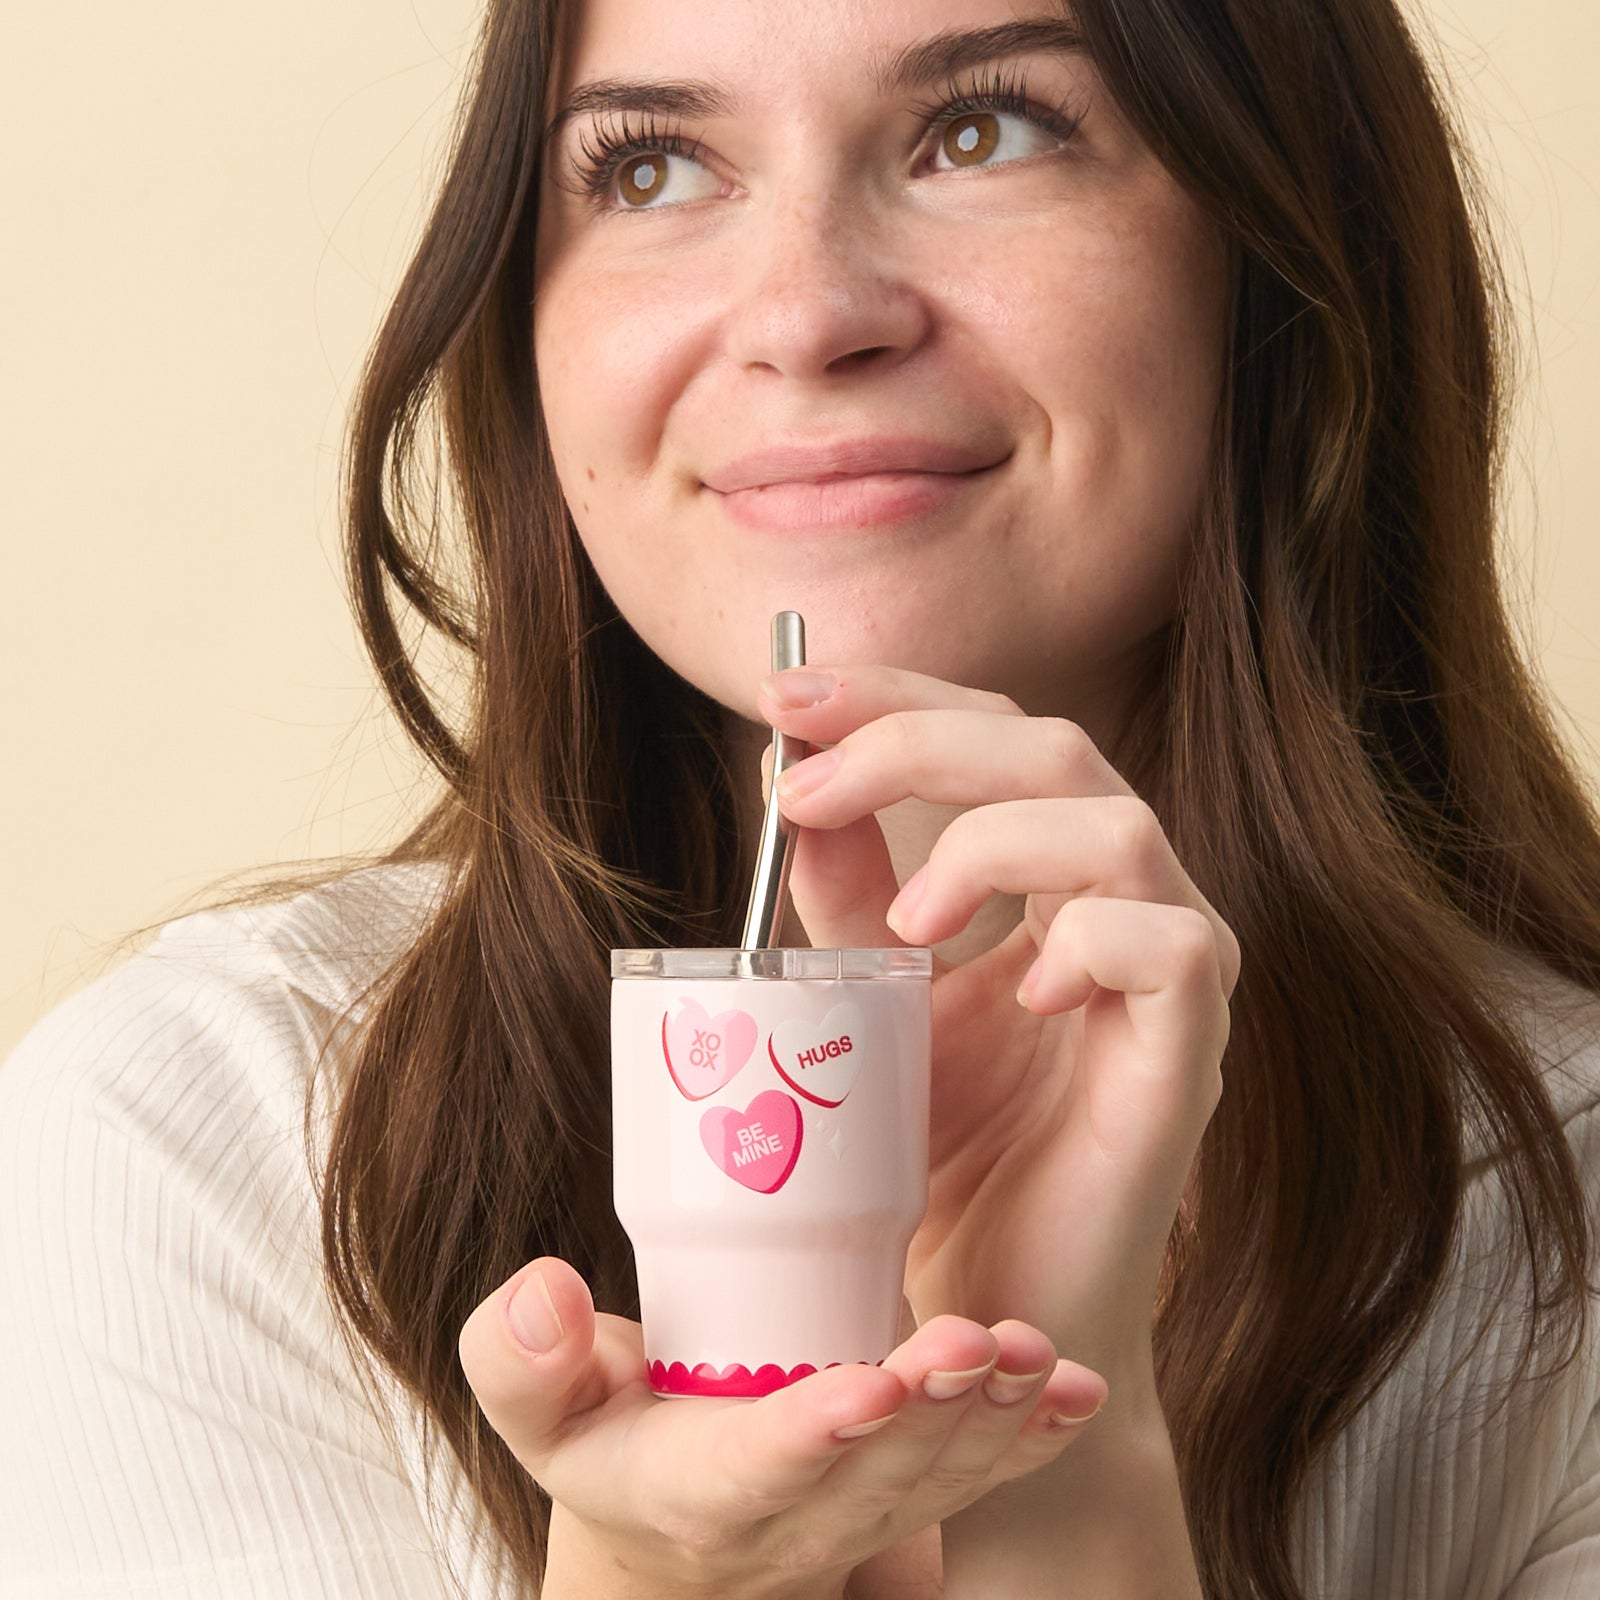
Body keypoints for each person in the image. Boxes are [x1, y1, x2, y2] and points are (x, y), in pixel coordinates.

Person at [4, 0, 1600, 1594]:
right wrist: (657, 1575)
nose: (805, 313)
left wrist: (1058, 1459)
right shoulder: (194, 1146)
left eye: (987, 128)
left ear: (1293, 254)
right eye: (648, 166)